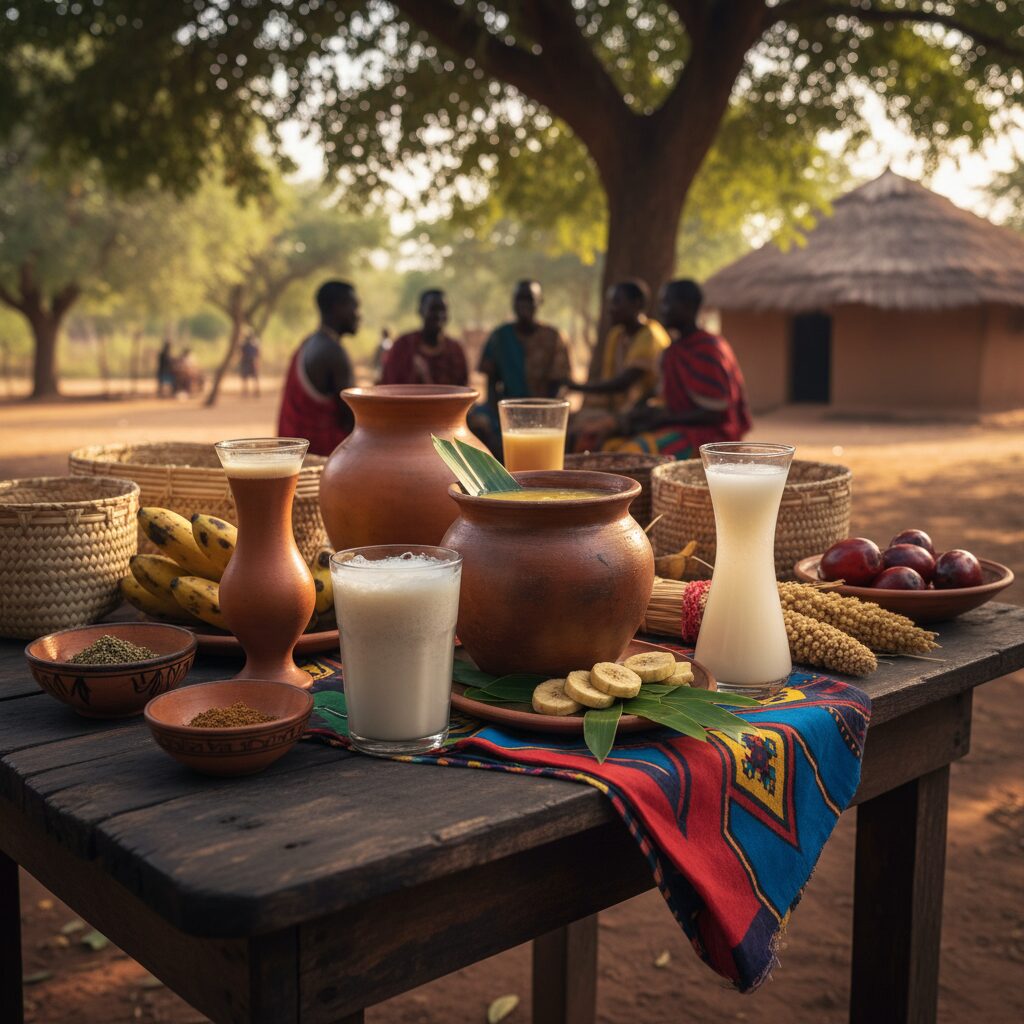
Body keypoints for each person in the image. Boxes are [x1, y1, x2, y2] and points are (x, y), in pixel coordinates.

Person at [604, 278, 751, 459]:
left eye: (667, 303)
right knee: (608, 444)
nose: (661, 310)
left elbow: (716, 414)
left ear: (688, 306)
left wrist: (665, 419)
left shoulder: (709, 349)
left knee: (632, 454)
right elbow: (661, 394)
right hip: (679, 426)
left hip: (710, 436)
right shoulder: (673, 350)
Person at [563, 279, 670, 451]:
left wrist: (576, 386)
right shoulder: (616, 336)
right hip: (619, 410)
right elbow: (610, 380)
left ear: (637, 304)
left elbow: (623, 383)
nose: (611, 309)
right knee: (569, 424)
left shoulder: (651, 336)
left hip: (644, 412)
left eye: (617, 302)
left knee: (586, 434)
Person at [474, 280, 570, 451]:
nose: (524, 304)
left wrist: (541, 414)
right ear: (513, 302)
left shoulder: (553, 337)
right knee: (476, 423)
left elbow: (558, 384)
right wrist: (499, 419)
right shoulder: (500, 336)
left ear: (539, 302)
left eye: (529, 299)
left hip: (543, 409)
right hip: (507, 409)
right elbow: (491, 381)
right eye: (519, 299)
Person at [277, 280, 360, 456]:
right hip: (322, 458)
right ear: (338, 308)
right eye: (354, 307)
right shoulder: (333, 352)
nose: (358, 315)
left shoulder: (309, 343)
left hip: (294, 457)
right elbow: (353, 418)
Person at [381, 290, 468, 387]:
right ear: (420, 311)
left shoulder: (455, 351)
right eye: (433, 309)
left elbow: (463, 390)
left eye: (443, 310)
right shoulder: (403, 346)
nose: (439, 315)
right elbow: (388, 386)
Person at [238, 332, 261, 397]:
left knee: (246, 378)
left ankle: (247, 392)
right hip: (250, 362)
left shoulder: (245, 345)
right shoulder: (254, 345)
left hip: (247, 362)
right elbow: (257, 355)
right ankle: (254, 391)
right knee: (253, 378)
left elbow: (241, 353)